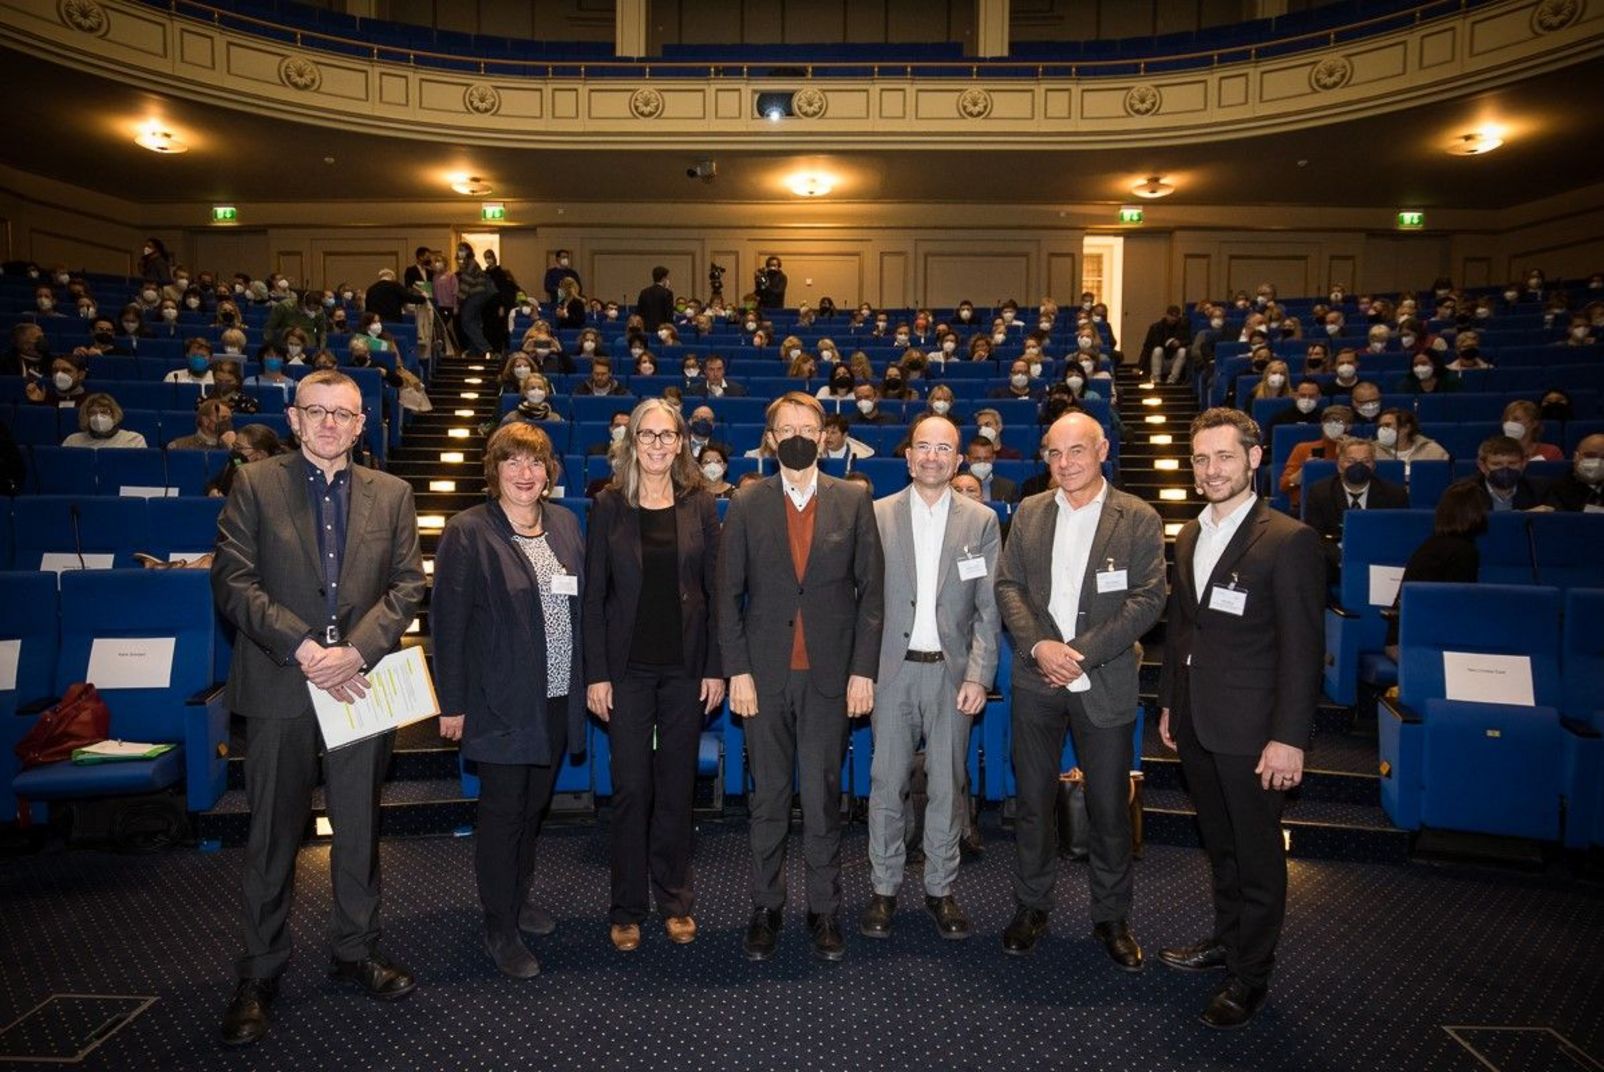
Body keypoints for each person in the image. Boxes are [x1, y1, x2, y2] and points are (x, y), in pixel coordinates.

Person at [210, 370, 426, 1046]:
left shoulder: (391, 493)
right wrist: (305, 650)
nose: (330, 424)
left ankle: (355, 950)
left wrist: (355, 651)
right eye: (316, 411)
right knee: (273, 834)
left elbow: (406, 586)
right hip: (282, 684)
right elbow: (233, 581)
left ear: (362, 425)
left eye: (343, 413)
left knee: (358, 826)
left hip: (359, 684)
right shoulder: (254, 483)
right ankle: (260, 970)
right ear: (295, 420)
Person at [1156, 407, 1324, 1030]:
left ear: (1255, 459)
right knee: (1220, 846)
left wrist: (1289, 738)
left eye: (1224, 456)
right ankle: (1227, 942)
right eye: (1201, 459)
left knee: (1256, 856)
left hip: (1256, 731)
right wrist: (1172, 699)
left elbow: (1305, 650)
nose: (1210, 469)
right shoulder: (1191, 534)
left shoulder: (1289, 539)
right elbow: (1183, 629)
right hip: (1199, 720)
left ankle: (1251, 976)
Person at [993, 412, 1166, 968]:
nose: (1064, 464)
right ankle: (1031, 905)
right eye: (1054, 453)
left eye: (1076, 452)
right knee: (1033, 803)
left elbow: (1147, 600)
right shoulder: (1030, 513)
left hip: (1105, 678)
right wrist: (1041, 647)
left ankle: (1111, 917)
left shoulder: (1137, 517)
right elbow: (1008, 586)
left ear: (1102, 450)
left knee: (1109, 807)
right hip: (1036, 678)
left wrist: (1081, 652)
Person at [717, 391, 884, 963]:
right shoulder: (745, 501)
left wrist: (864, 671)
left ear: (824, 436)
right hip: (762, 678)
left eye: (806, 427)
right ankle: (766, 907)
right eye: (784, 426)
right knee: (767, 799)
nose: (796, 435)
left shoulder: (854, 500)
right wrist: (736, 670)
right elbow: (726, 596)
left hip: (830, 679)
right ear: (770, 439)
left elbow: (873, 597)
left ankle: (823, 908)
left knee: (821, 797)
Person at [432, 423, 585, 978]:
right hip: (499, 702)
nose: (525, 474)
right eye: (513, 462)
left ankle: (518, 900)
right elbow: (446, 626)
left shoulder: (566, 525)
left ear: (549, 472)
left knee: (532, 810)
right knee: (502, 816)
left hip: (554, 697)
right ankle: (499, 926)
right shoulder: (467, 531)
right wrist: (452, 703)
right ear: (494, 470)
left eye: (536, 463)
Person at [583, 400, 724, 953]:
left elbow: (714, 593)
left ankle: (675, 901)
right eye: (649, 434)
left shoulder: (701, 504)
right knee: (631, 789)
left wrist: (715, 666)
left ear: (683, 442)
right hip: (628, 672)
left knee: (675, 790)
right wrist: (597, 674)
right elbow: (595, 597)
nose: (659, 444)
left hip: (686, 671)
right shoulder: (609, 505)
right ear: (631, 441)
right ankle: (625, 907)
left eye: (669, 435)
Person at [860, 413, 1000, 942]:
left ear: (959, 459)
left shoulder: (981, 521)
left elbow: (988, 610)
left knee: (948, 785)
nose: (933, 457)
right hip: (889, 674)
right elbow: (862, 603)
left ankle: (941, 889)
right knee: (886, 784)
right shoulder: (875, 515)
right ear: (908, 454)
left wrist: (980, 677)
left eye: (945, 448)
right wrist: (860, 673)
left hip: (952, 675)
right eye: (924, 446)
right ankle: (884, 888)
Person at [1383, 482, 1485, 657]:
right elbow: (1458, 610)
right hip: (1417, 644)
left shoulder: (1435, 544)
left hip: (1403, 638)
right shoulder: (1463, 552)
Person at [1302, 437, 1409, 582]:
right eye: (1351, 461)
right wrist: (1342, 560)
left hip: (1379, 560)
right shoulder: (1320, 493)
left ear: (1373, 465)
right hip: (1335, 561)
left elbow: (1398, 536)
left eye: (1365, 461)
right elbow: (1314, 535)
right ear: (1339, 465)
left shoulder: (1394, 495)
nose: (1358, 466)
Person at [1279, 404, 1354, 513]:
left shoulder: (1357, 451)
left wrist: (1346, 451)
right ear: (1322, 424)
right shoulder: (1303, 448)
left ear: (1349, 426)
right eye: (1329, 421)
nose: (1333, 425)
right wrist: (1305, 470)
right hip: (1308, 506)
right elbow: (1284, 485)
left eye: (1340, 422)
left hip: (1345, 505)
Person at [1450, 435, 1542, 512]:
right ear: (1482, 466)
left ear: (1523, 464)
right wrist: (1521, 517)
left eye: (1512, 463)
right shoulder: (1463, 493)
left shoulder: (1540, 490)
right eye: (1497, 464)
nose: (1505, 470)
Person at [1542, 433, 1604, 511]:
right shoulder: (1555, 490)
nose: (1598, 462)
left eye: (1603, 457)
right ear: (1576, 457)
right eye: (1590, 456)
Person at [61, 393, 146, 448]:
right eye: (92, 413)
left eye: (104, 412)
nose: (98, 416)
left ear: (114, 414)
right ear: (86, 417)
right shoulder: (72, 441)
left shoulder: (134, 439)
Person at [455, 242, 494, 357]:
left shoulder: (471, 263)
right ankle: (475, 351)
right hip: (477, 295)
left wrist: (459, 301)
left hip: (476, 295)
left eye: (462, 250)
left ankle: (485, 348)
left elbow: (466, 283)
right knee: (474, 323)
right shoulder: (467, 264)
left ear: (468, 251)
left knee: (466, 322)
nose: (460, 252)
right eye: (459, 250)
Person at [1141, 305, 1189, 383]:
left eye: (1176, 316)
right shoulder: (1156, 327)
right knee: (1158, 350)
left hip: (1174, 359)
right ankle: (1156, 379)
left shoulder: (1183, 327)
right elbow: (1147, 347)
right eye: (1171, 315)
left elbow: (1189, 341)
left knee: (1183, 351)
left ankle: (1172, 379)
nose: (1173, 318)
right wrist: (1141, 366)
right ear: (1166, 315)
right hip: (1160, 359)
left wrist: (1180, 343)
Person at [167, 399, 235, 451]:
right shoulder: (178, 446)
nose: (228, 422)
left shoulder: (237, 445)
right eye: (223, 418)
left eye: (229, 419)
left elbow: (240, 467)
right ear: (205, 420)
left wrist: (232, 448)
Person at [965, 437, 1016, 503]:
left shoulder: (1008, 488)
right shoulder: (956, 486)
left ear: (993, 458)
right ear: (967, 459)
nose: (982, 463)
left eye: (986, 459)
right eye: (977, 459)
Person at [636, 266, 675, 333]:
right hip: (662, 330)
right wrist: (666, 289)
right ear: (663, 278)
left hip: (645, 329)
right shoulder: (667, 293)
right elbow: (669, 315)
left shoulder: (644, 292)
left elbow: (639, 312)